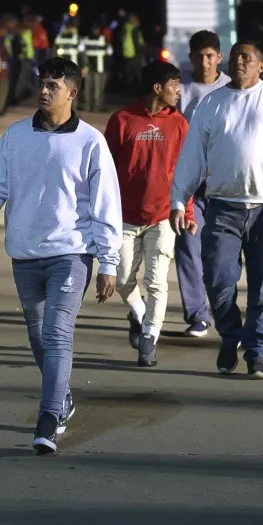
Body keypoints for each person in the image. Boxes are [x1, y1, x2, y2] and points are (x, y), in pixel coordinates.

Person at [0, 55, 122, 455]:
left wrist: (108, 260)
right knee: (37, 335)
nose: (44, 90)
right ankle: (63, 396)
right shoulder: (16, 136)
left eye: (53, 85)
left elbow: (106, 204)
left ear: (71, 92)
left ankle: (49, 417)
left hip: (71, 253)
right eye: (42, 82)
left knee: (56, 333)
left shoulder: (90, 141)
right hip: (25, 252)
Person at [170, 42, 263, 380]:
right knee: (218, 279)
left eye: (247, 58)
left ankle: (257, 354)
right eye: (236, 56)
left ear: (261, 66)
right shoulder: (212, 103)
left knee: (261, 286)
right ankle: (231, 333)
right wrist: (179, 199)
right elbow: (192, 156)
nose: (240, 61)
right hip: (223, 206)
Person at [103, 61, 189, 367]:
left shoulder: (179, 124)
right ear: (157, 88)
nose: (178, 91)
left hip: (163, 216)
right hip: (124, 217)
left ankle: (150, 339)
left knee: (157, 282)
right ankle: (137, 313)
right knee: (123, 278)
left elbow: (186, 171)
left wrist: (186, 209)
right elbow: (105, 170)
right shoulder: (123, 120)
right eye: (174, 85)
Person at [171, 30, 226, 337]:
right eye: (199, 56)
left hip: (225, 183)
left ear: (219, 57)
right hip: (191, 184)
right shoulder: (181, 91)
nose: (205, 62)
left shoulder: (233, 88)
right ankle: (197, 313)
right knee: (189, 246)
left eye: (210, 56)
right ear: (191, 57)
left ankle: (222, 304)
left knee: (224, 250)